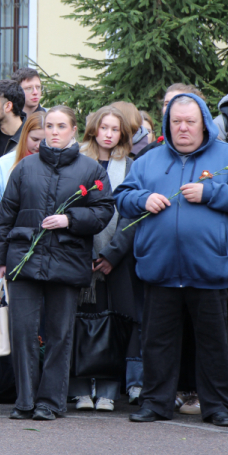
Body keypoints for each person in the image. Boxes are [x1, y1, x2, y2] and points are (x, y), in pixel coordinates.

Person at [0, 106, 114, 421]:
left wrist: (69, 219)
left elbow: (103, 211)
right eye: (49, 126)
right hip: (24, 260)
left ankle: (51, 402)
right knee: (23, 332)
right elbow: (6, 215)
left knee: (60, 334)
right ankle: (25, 400)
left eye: (61, 126)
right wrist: (0, 259)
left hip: (67, 260)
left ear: (74, 130)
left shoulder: (90, 170)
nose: (54, 131)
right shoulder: (26, 167)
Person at [116, 93, 228, 427]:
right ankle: (155, 403)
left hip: (209, 267)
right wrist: (143, 199)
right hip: (160, 267)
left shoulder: (227, 157)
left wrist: (210, 192)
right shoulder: (148, 161)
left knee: (213, 344)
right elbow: (121, 197)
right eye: (176, 122)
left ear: (205, 123)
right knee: (158, 342)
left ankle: (219, 407)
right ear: (168, 124)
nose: (183, 128)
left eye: (190, 122)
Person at [70, 106, 137, 412]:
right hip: (79, 257)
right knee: (78, 323)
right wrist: (82, 252)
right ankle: (80, 389)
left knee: (113, 322)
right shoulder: (76, 160)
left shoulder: (130, 166)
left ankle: (109, 390)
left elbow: (132, 215)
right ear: (94, 129)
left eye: (115, 130)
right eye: (104, 128)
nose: (109, 134)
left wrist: (112, 253)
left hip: (116, 260)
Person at [0, 111, 46, 197]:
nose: (38, 145)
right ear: (25, 136)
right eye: (35, 139)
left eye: (44, 141)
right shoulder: (3, 164)